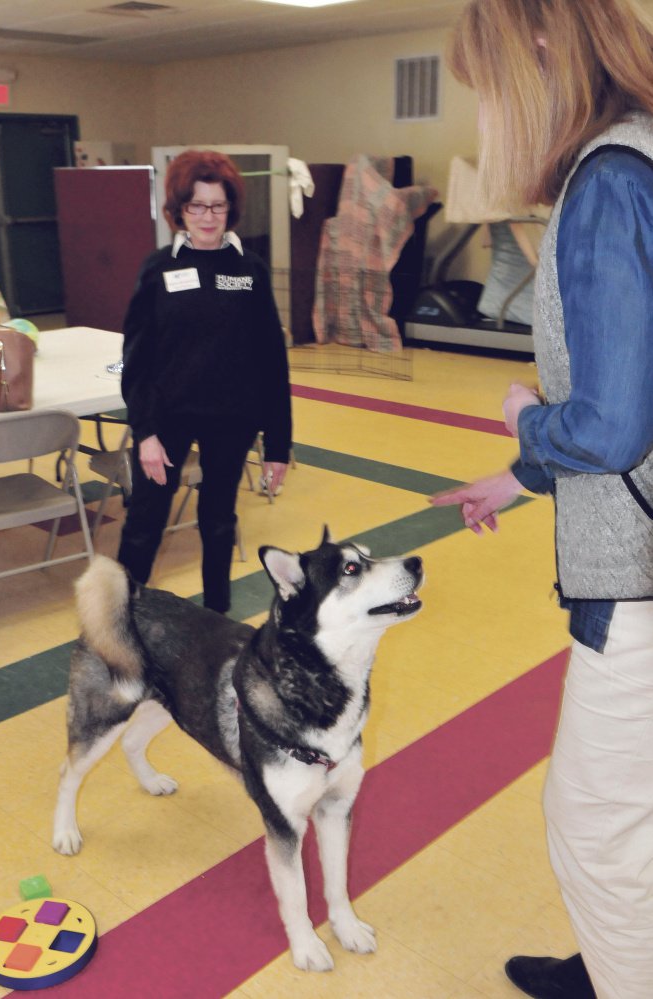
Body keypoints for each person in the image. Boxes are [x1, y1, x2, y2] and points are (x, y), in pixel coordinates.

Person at [434, 2, 653, 997]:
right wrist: (520, 477)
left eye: (484, 93)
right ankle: (612, 957)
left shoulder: (607, 182)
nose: (484, 125)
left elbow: (609, 422)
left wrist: (529, 423)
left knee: (594, 829)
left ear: (536, 54)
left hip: (639, 575)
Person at [118, 149, 292, 613]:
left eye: (217, 206)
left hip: (231, 419)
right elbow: (137, 360)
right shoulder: (159, 269)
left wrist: (278, 445)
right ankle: (118, 620)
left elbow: (272, 362)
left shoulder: (249, 270)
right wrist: (146, 433)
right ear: (179, 211)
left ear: (230, 209)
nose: (207, 217)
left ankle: (216, 619)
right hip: (167, 417)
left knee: (218, 522)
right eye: (196, 206)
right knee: (145, 522)